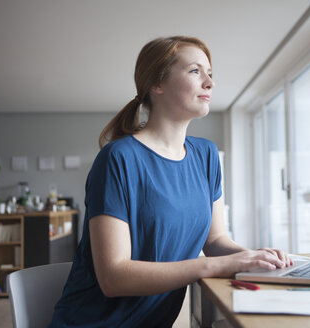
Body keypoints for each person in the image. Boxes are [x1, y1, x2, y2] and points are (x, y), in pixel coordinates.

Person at [49, 36, 292, 327]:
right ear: (157, 84)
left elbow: (214, 241)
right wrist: (215, 266)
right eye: (195, 71)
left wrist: (255, 257)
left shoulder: (206, 155)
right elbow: (113, 277)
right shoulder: (118, 159)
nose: (209, 83)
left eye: (210, 74)